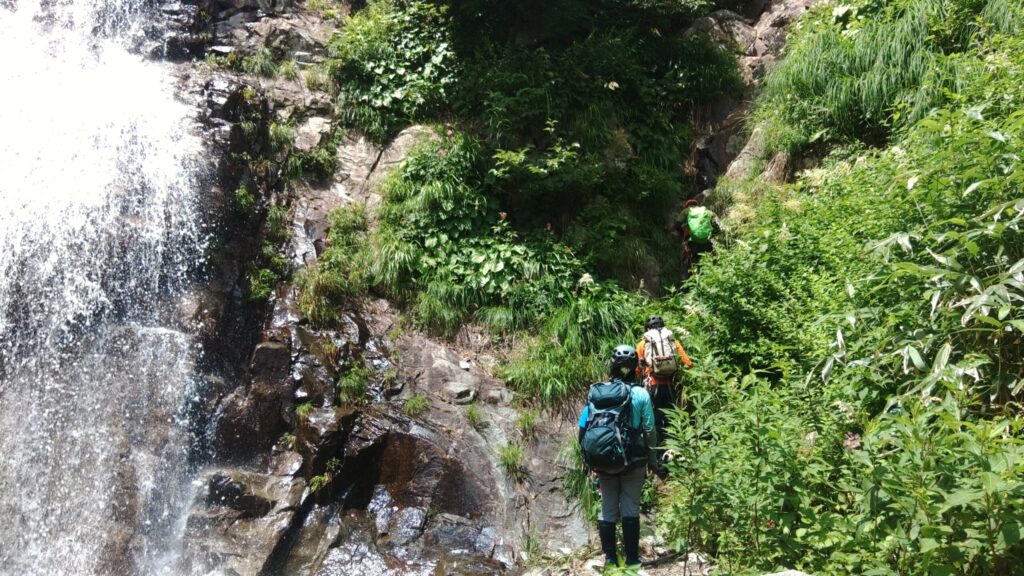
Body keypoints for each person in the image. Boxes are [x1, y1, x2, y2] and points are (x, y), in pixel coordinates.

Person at [578, 345, 665, 571]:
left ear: (612, 366)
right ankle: (633, 561)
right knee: (630, 508)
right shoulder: (640, 394)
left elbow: (583, 426)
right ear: (636, 368)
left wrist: (589, 461)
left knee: (607, 509)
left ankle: (610, 560)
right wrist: (653, 461)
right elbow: (649, 429)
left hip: (604, 461)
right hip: (634, 461)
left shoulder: (598, 393)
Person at [636, 315, 693, 461]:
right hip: (670, 385)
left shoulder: (643, 344)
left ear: (647, 329)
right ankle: (674, 449)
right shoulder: (672, 341)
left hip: (652, 386)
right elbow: (687, 362)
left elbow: (637, 370)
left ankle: (658, 452)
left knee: (655, 419)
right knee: (671, 418)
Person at [675, 197, 719, 278]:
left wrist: (683, 236)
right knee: (712, 259)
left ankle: (691, 278)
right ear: (697, 206)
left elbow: (677, 224)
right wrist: (712, 235)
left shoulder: (686, 211)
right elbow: (717, 225)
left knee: (692, 261)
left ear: (687, 206)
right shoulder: (706, 211)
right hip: (708, 241)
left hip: (693, 242)